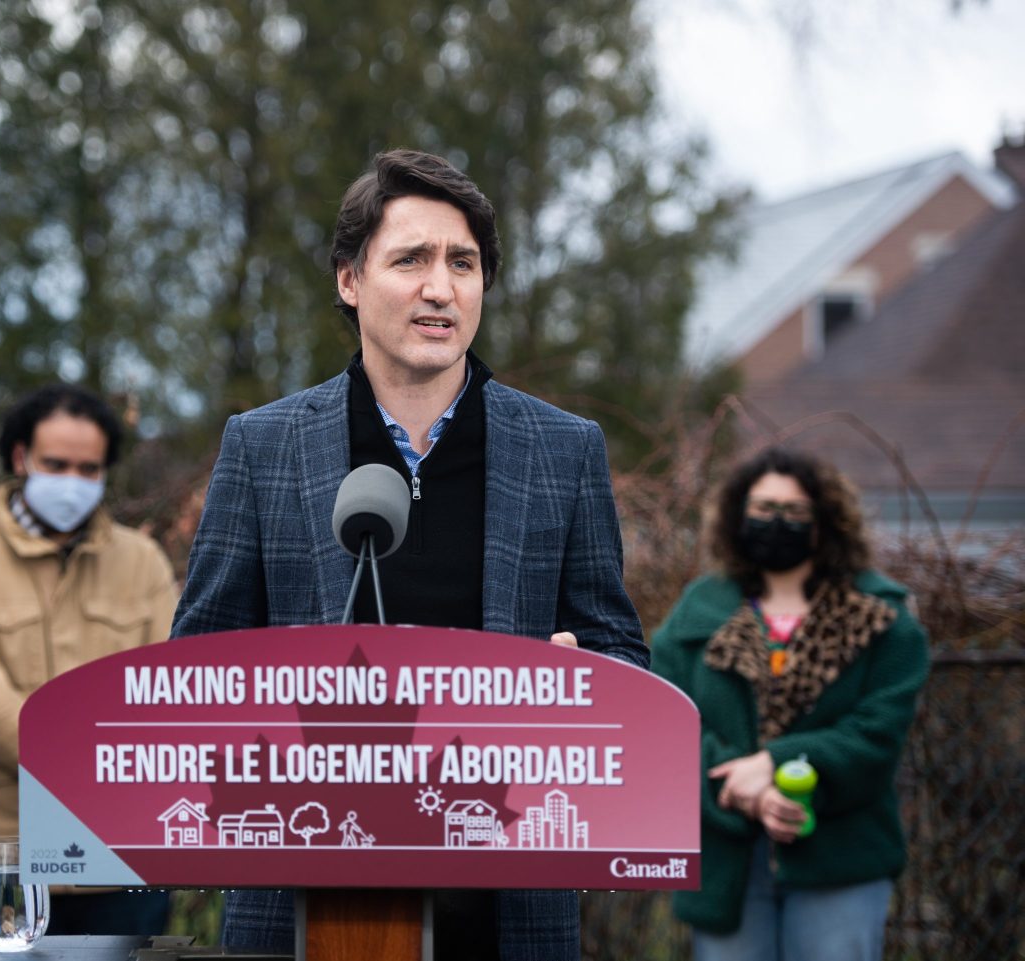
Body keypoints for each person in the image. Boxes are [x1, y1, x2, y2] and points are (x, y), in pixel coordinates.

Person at [170, 149, 648, 961]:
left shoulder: (563, 450)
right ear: (349, 280)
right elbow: (197, 668)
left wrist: (586, 675)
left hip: (508, 901)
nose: (441, 287)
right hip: (303, 895)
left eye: (463, 263)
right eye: (411, 259)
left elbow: (621, 657)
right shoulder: (264, 445)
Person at [0, 383, 178, 938]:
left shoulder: (143, 563)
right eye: (57, 464)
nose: (72, 482)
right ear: (20, 458)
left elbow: (167, 683)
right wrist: (89, 762)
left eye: (89, 468)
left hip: (118, 861)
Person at [650, 447, 930, 961]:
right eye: (762, 509)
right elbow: (662, 723)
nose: (777, 523)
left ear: (826, 522)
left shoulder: (884, 618)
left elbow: (876, 734)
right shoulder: (698, 611)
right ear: (737, 518)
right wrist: (747, 792)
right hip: (725, 857)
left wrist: (774, 763)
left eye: (795, 512)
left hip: (841, 858)